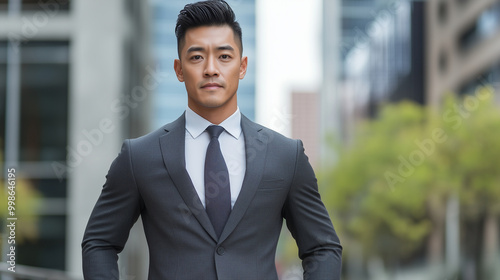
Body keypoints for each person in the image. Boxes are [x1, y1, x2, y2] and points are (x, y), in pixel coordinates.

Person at [81, 1, 342, 279]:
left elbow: (322, 247)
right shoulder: (140, 156)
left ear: (242, 67)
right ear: (179, 70)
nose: (210, 69)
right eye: (196, 57)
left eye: (224, 57)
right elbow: (99, 242)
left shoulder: (285, 155)